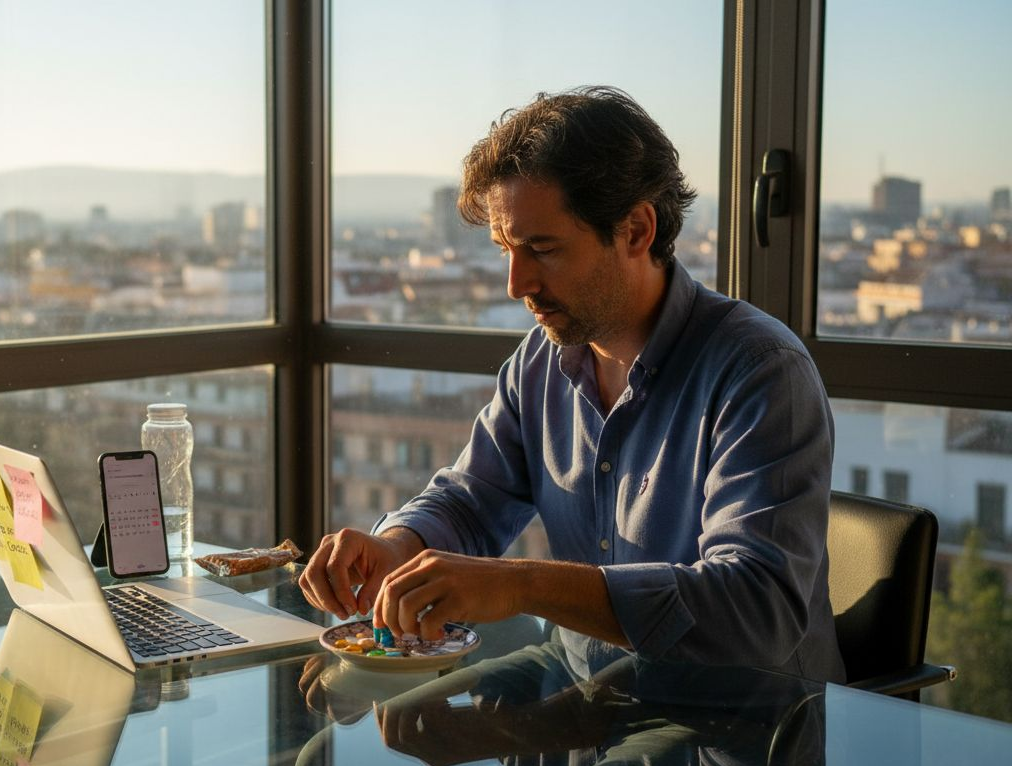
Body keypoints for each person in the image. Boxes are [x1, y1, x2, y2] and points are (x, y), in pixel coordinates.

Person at [299, 85, 846, 683]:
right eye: (506, 248)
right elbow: (471, 498)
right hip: (587, 706)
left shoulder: (760, 371)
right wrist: (399, 546)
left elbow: (755, 610)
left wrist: (525, 584)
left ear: (637, 229)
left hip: (738, 726)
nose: (515, 283)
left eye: (542, 248)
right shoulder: (540, 361)